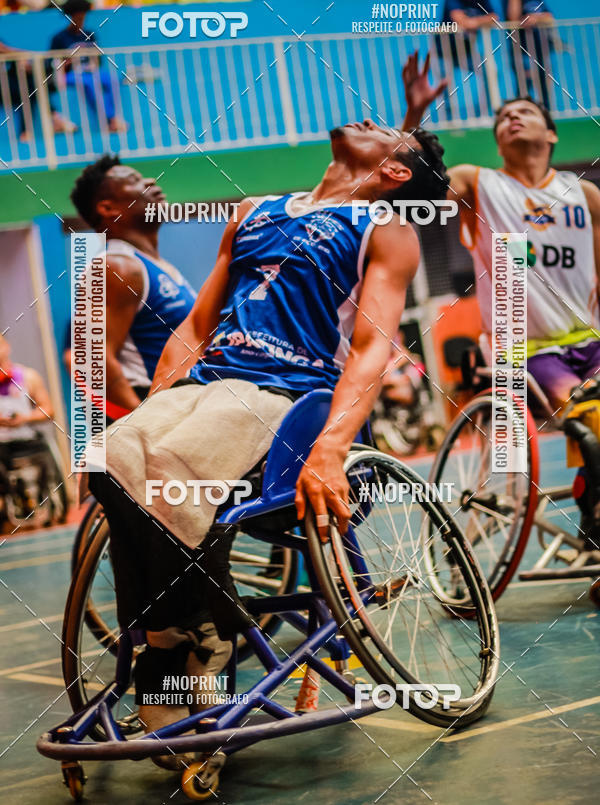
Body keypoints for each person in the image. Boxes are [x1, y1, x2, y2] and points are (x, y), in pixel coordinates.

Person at [87, 107, 448, 764]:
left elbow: (370, 348)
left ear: (394, 170)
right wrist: (157, 402)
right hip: (213, 380)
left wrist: (333, 449)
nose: (365, 114)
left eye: (388, 131)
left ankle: (199, 645)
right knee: (111, 455)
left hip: (289, 393)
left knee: (174, 465)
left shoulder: (387, 228)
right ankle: (177, 636)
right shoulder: (255, 208)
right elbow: (197, 325)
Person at [402, 55, 600, 541]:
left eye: (523, 112)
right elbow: (412, 195)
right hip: (524, 350)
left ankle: (592, 509)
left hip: (589, 341)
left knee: (596, 430)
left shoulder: (587, 197)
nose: (510, 117)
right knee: (592, 419)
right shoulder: (479, 183)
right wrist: (413, 120)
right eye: (502, 118)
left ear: (551, 135)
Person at [70, 155, 197, 417]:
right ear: (108, 208)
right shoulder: (116, 266)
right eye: (135, 180)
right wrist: (144, 422)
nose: (151, 182)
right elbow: (92, 360)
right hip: (149, 411)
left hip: (179, 408)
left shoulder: (156, 266)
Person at [50, 0, 127, 134]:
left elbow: (98, 59)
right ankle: (111, 120)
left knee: (112, 79)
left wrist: (93, 64)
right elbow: (52, 63)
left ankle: (113, 117)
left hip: (91, 71)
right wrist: (69, 61)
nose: (80, 22)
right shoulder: (59, 38)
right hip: (71, 74)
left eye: (82, 18)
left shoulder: (90, 34)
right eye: (77, 18)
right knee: (90, 83)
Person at [0, 333, 56, 519]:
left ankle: (43, 496)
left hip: (27, 439)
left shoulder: (28, 376)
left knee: (45, 455)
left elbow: (48, 410)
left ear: (7, 346)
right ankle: (14, 500)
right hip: (1, 445)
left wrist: (24, 418)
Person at [437, 0, 498, 118]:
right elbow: (459, 19)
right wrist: (477, 22)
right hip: (444, 51)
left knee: (489, 72)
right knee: (444, 82)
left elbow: (494, 17)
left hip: (467, 51)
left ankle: (485, 113)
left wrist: (472, 22)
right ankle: (448, 117)